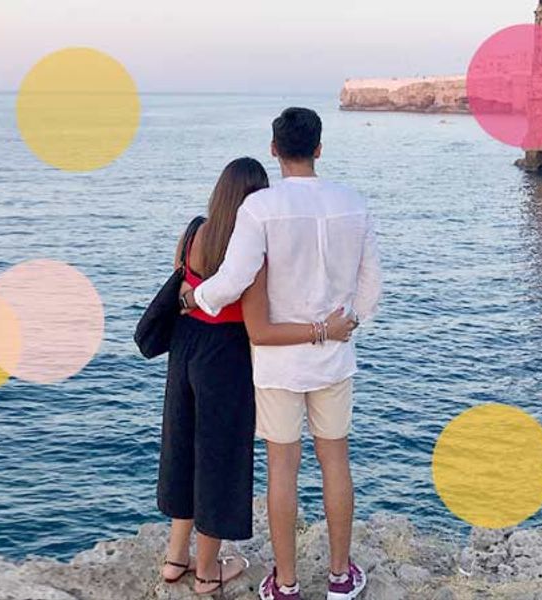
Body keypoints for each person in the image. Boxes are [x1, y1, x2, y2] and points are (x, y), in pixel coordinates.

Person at [180, 108, 381, 600]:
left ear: (274, 149)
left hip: (277, 365)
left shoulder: (260, 208)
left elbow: (233, 278)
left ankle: (285, 583)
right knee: (336, 462)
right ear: (319, 147)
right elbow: (371, 284)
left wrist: (196, 299)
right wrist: (348, 325)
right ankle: (339, 577)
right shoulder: (352, 203)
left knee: (281, 470)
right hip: (333, 358)